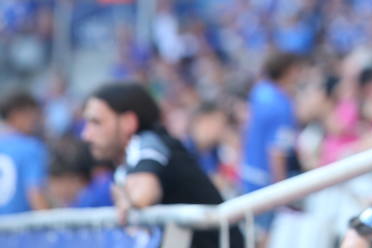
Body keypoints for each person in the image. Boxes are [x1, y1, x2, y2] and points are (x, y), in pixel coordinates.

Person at [81, 81, 243, 248]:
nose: (86, 135)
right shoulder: (129, 161)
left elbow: (144, 194)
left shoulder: (147, 143)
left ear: (128, 122)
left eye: (96, 122)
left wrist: (126, 200)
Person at [240, 51, 304, 231]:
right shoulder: (281, 106)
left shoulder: (259, 91)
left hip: (248, 175)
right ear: (289, 71)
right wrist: (282, 196)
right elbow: (277, 152)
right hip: (266, 185)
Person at [0, 90, 49, 214]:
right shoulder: (31, 147)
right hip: (18, 231)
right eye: (32, 115)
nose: (35, 121)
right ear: (17, 114)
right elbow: (35, 194)